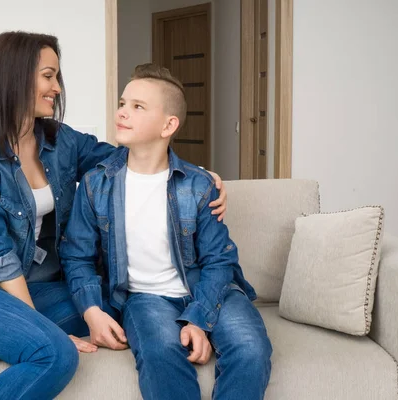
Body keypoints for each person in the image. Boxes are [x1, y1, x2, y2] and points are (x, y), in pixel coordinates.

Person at [0, 32, 227, 399]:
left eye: (57, 77)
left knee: (111, 302)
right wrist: (39, 328)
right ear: (15, 77)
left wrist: (198, 177)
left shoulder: (60, 141)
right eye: (48, 76)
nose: (57, 88)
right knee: (55, 353)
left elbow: (127, 160)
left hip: (32, 284)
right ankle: (10, 333)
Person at [60, 64, 272, 400]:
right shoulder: (95, 184)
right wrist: (92, 310)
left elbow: (219, 260)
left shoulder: (199, 185)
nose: (122, 112)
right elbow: (76, 255)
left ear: (168, 125)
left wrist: (200, 318)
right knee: (160, 355)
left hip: (210, 288)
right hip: (144, 297)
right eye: (123, 103)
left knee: (250, 350)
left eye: (138, 107)